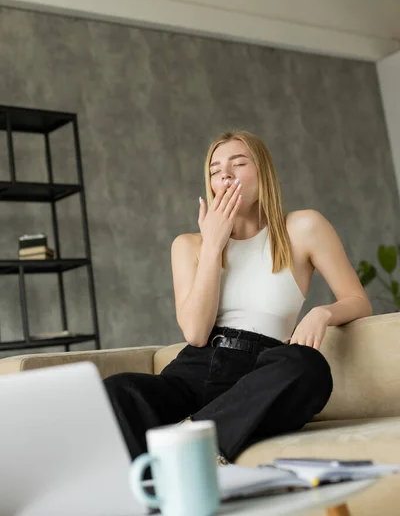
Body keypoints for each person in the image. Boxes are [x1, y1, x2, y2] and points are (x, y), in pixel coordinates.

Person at [103, 129, 372, 465]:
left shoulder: (304, 228)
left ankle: (193, 443)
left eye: (238, 163)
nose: (225, 174)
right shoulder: (189, 246)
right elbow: (196, 333)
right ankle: (156, 488)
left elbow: (358, 300)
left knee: (308, 365)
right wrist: (213, 244)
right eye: (215, 171)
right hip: (195, 369)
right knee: (117, 390)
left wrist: (323, 313)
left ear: (264, 173)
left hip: (261, 372)